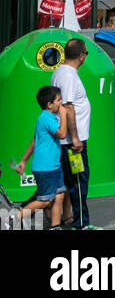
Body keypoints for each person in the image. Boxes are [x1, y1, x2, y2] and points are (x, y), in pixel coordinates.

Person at [50, 38, 94, 230]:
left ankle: (69, 218)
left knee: (72, 182)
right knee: (78, 181)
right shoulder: (67, 76)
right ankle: (81, 223)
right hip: (72, 143)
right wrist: (75, 138)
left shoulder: (63, 72)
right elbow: (67, 107)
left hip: (71, 141)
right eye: (86, 53)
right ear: (82, 55)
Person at [13, 85, 68, 229]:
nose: (61, 103)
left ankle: (55, 226)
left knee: (59, 195)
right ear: (49, 105)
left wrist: (23, 161)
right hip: (45, 168)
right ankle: (15, 216)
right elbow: (62, 134)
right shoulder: (46, 118)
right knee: (45, 201)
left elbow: (34, 141)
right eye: (58, 100)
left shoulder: (48, 118)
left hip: (54, 166)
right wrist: (64, 115)